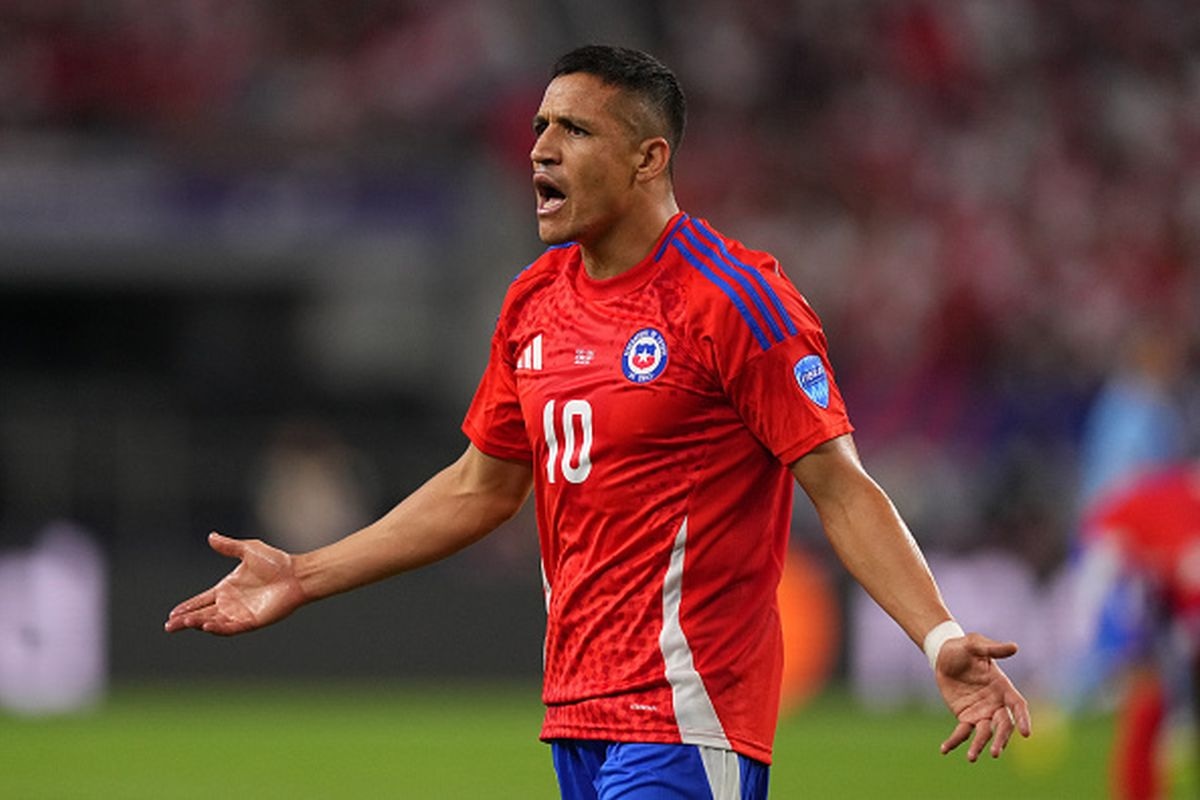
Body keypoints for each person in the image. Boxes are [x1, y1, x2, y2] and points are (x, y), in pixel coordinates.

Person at [165, 45, 1031, 799]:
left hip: (689, 715)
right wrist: (305, 574)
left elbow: (839, 485)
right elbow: (480, 486)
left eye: (574, 131)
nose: (540, 149)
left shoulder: (735, 300)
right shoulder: (534, 301)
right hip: (577, 711)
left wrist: (938, 634)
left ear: (648, 158)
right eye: (541, 126)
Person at [1073, 460, 1200, 799]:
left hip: (1174, 632)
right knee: (1147, 709)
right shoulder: (1157, 503)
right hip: (1166, 630)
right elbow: (1104, 552)